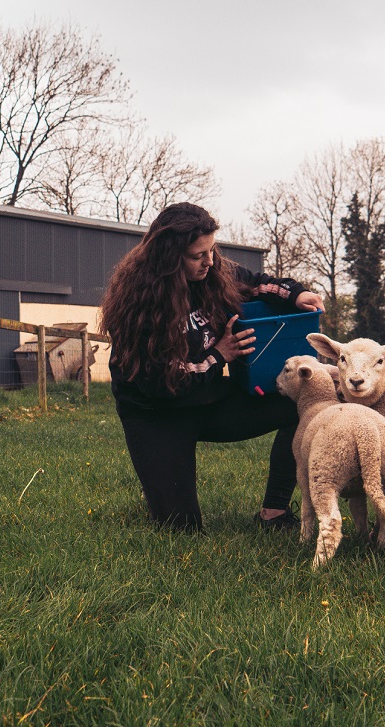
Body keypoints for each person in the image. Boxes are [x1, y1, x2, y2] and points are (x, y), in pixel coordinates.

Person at [99, 202, 325, 533]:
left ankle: (274, 514)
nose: (209, 261)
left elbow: (258, 283)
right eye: (197, 255)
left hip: (208, 398)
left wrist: (297, 295)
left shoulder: (214, 271)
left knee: (304, 402)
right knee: (181, 529)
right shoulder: (139, 302)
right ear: (170, 257)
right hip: (156, 413)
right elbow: (160, 382)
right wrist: (219, 355)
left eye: (212, 250)